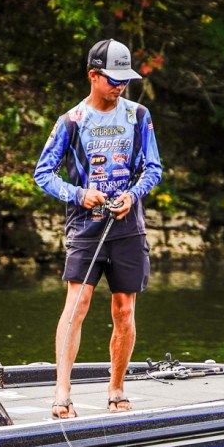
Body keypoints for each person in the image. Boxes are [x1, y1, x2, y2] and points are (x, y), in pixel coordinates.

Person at [33, 38, 162, 419]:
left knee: (124, 309)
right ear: (93, 75)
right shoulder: (71, 121)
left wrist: (133, 195)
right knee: (77, 304)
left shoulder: (139, 116)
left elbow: (153, 168)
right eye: (113, 80)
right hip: (85, 227)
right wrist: (78, 194)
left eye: (125, 80)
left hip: (128, 226)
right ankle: (62, 391)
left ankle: (116, 388)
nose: (120, 86)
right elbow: (43, 173)